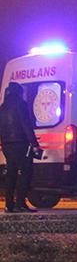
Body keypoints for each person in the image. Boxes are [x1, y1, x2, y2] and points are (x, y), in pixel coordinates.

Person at [0, 83, 40, 213]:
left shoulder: (3, 107)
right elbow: (25, 124)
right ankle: (21, 203)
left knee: (11, 173)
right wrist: (34, 144)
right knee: (25, 172)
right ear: (19, 92)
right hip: (20, 143)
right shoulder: (20, 104)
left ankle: (9, 204)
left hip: (6, 144)